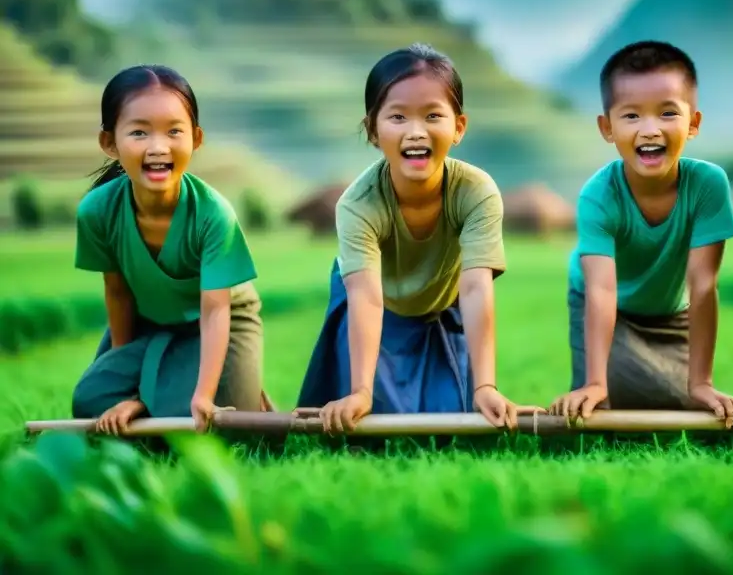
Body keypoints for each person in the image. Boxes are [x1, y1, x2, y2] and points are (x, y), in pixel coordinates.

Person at [296, 43, 537, 434]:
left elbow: (476, 288)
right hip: (374, 308)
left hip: (440, 309)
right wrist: (360, 390)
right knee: (373, 427)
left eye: (432, 116)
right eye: (397, 117)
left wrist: (486, 385)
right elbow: (367, 298)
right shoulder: (358, 204)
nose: (415, 131)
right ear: (373, 130)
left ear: (458, 127)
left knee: (453, 427)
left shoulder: (476, 192)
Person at [549, 41, 733, 427]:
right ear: (607, 128)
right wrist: (594, 382)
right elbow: (601, 291)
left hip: (673, 315)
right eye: (632, 116)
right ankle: (602, 382)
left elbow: (704, 285)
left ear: (693, 123)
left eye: (668, 113)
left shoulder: (708, 184)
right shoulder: (598, 195)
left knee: (693, 405)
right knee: (604, 405)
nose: (650, 129)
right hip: (609, 308)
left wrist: (702, 382)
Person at [71, 65, 268, 435]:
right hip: (150, 324)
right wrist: (126, 381)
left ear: (196, 138)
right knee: (91, 400)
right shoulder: (97, 211)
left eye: (174, 131)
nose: (158, 147)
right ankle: (154, 397)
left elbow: (215, 311)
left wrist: (203, 396)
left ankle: (191, 393)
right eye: (139, 132)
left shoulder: (213, 214)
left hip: (217, 323)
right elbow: (118, 294)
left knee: (218, 420)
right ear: (109, 143)